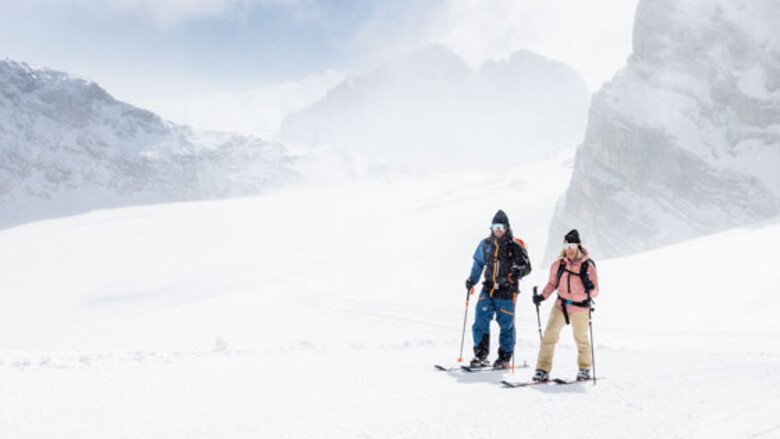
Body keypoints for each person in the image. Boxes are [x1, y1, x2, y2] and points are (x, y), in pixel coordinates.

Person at [465, 210, 531, 369]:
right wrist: (472, 280)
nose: (498, 230)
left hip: (507, 292)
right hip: (488, 289)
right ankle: (480, 355)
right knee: (480, 321)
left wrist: (517, 272)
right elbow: (478, 264)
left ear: (507, 228)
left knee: (506, 325)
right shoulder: (486, 244)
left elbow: (527, 267)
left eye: (501, 227)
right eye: (495, 227)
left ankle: (504, 358)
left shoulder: (515, 246)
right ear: (492, 228)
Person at [531, 229, 599, 381]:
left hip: (580, 308)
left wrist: (589, 287)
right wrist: (542, 296)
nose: (569, 250)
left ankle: (584, 369)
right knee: (549, 336)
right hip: (561, 306)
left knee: (581, 339)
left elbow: (596, 291)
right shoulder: (558, 265)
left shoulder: (587, 266)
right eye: (567, 246)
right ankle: (542, 370)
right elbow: (552, 283)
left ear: (578, 247)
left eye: (573, 246)